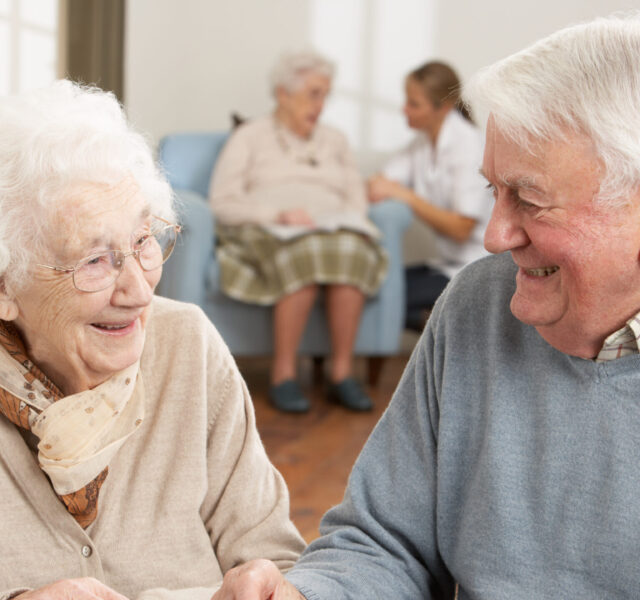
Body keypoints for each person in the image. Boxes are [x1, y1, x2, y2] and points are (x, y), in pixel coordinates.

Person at [211, 12, 640, 599]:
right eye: (495, 191)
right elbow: (388, 542)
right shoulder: (478, 303)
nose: (494, 236)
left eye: (531, 199)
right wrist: (308, 595)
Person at [0, 80, 305, 600]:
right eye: (95, 260)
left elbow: (276, 558)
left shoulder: (188, 346)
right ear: (6, 285)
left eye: (143, 242)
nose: (140, 291)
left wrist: (277, 587)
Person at [209, 50, 388, 413]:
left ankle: (341, 374)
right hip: (271, 227)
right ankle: (284, 375)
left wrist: (355, 223)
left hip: (331, 228)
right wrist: (278, 214)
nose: (321, 105)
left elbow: (356, 198)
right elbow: (222, 202)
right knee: (303, 253)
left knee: (351, 250)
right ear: (283, 94)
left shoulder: (335, 140)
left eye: (326, 94)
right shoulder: (249, 136)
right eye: (313, 93)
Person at [368, 61, 492, 331]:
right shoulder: (422, 142)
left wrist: (406, 196)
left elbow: (461, 228)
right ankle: (439, 327)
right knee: (372, 285)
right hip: (447, 264)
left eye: (414, 103)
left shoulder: (468, 146)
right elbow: (380, 183)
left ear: (443, 107)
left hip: (478, 266)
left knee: (385, 299)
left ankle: (442, 329)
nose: (404, 109)